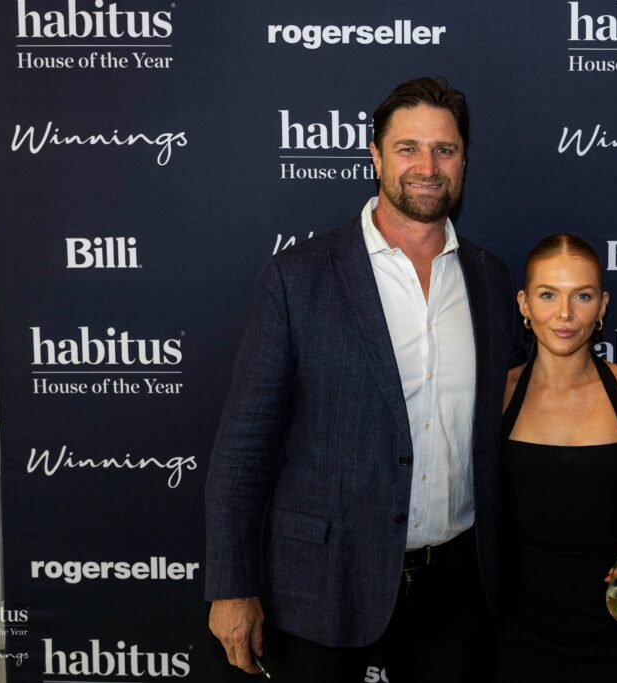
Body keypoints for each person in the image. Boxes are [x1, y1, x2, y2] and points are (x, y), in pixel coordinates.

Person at [204, 77, 523, 683]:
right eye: (408, 148)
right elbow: (244, 445)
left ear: (463, 160)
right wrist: (232, 586)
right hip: (322, 581)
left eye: (445, 150)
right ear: (375, 156)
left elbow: (522, 407)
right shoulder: (297, 277)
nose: (427, 167)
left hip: (457, 590)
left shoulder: (489, 278)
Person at [496, 234, 617, 681]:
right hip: (512, 629)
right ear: (524, 304)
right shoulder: (496, 395)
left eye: (582, 295)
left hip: (611, 626)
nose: (565, 313)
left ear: (602, 305)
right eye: (547, 295)